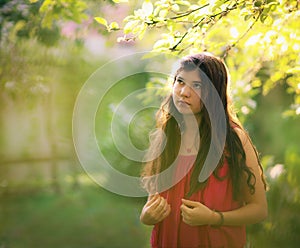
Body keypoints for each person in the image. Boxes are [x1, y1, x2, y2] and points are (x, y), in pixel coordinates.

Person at [139, 53, 268, 248]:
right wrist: (146, 216)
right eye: (180, 81)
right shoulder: (167, 136)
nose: (184, 92)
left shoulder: (233, 140)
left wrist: (214, 218)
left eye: (196, 86)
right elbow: (152, 203)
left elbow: (259, 209)